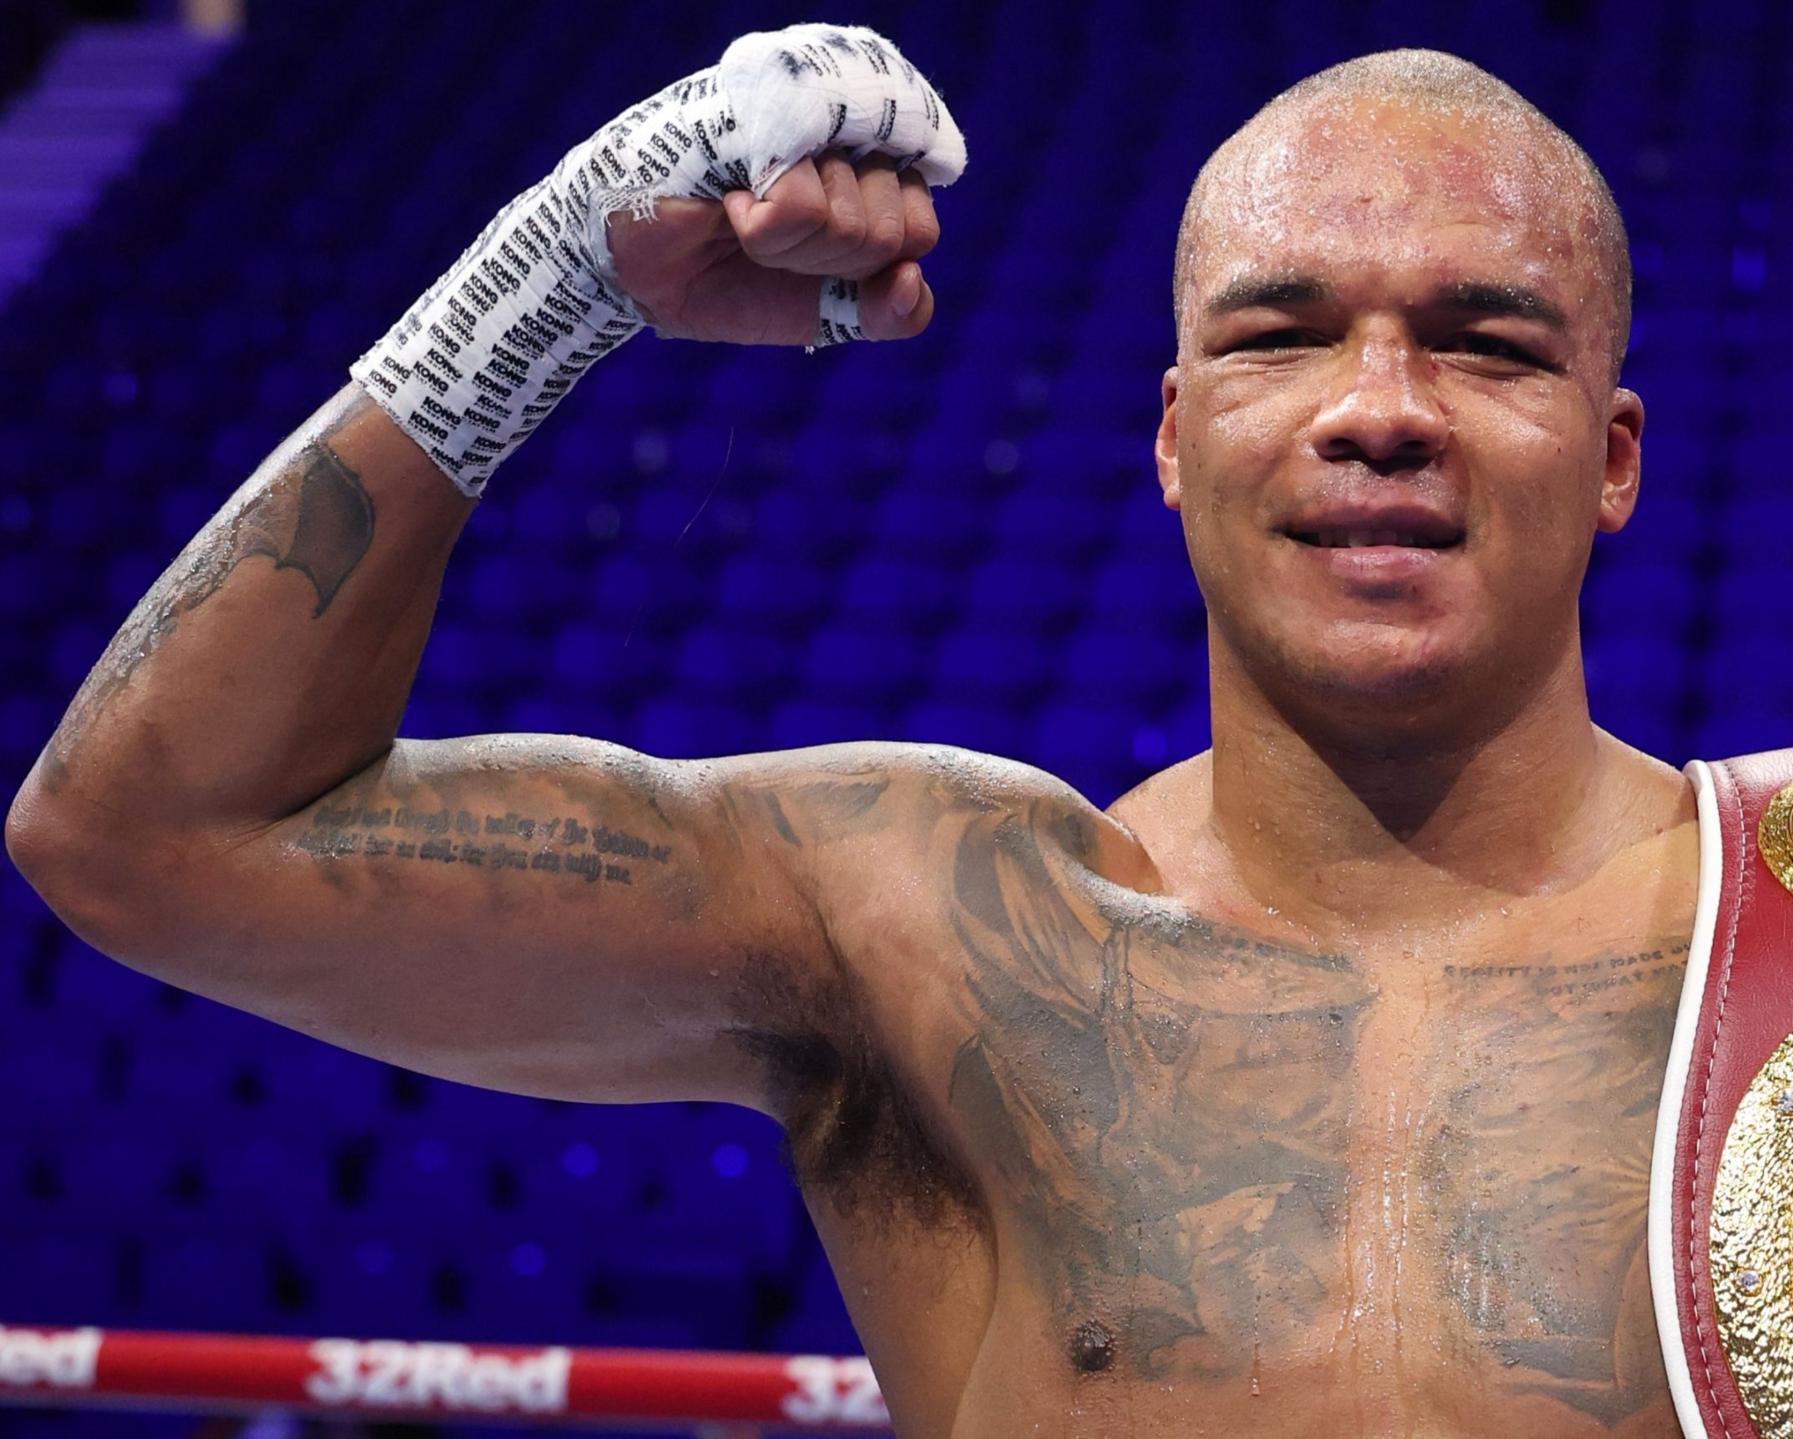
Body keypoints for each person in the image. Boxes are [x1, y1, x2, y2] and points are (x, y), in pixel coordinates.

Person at [6, 23, 1696, 1437]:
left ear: (1614, 457)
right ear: (1176, 438)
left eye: (1486, 346)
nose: (1380, 408)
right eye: (1283, 335)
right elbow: (152, 835)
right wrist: (554, 274)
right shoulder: (931, 925)